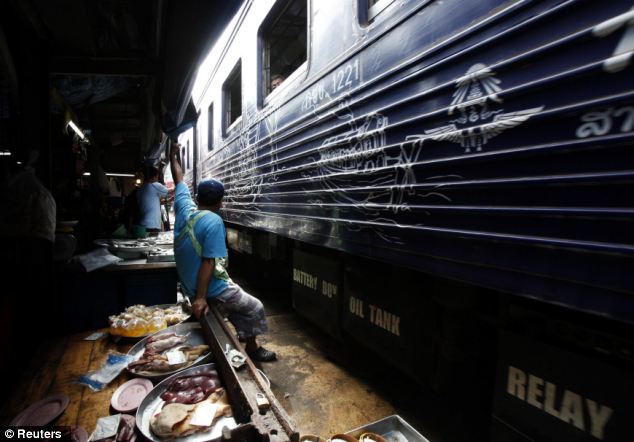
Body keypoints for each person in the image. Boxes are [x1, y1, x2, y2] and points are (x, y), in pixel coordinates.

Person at [169, 140, 276, 362]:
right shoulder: (213, 221)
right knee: (255, 307)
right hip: (209, 289)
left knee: (236, 296)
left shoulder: (184, 208)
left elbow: (178, 178)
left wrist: (173, 156)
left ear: (197, 198)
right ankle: (253, 348)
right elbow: (209, 262)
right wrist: (201, 298)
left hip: (188, 283)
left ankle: (244, 334)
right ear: (220, 202)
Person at [137, 166, 168, 233]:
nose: (157, 179)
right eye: (157, 177)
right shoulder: (155, 185)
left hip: (142, 225)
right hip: (152, 225)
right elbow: (168, 191)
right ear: (154, 176)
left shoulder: (140, 189)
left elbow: (151, 202)